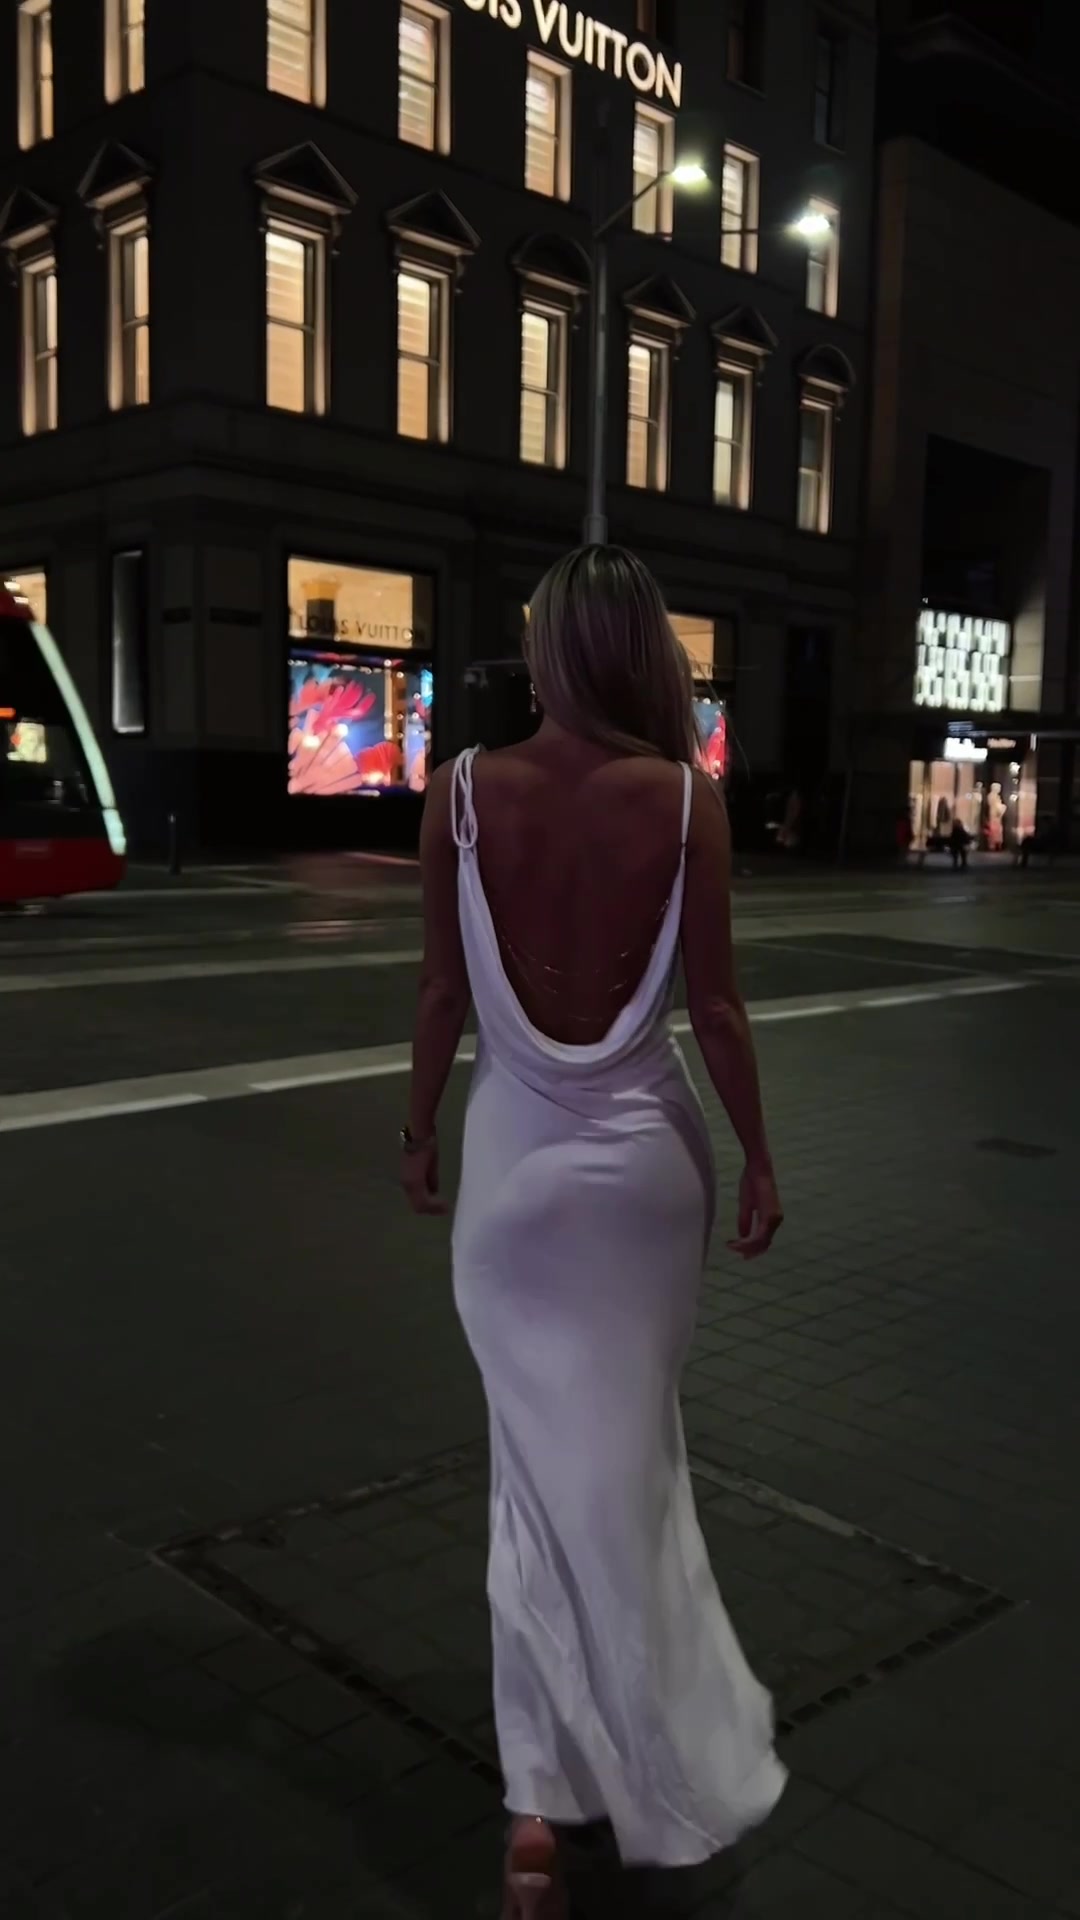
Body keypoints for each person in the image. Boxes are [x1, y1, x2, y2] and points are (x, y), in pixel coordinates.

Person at [401, 545, 786, 1918]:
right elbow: (718, 1012)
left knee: (530, 1482)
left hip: (512, 1179)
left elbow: (441, 996)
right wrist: (758, 1156)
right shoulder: (687, 802)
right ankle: (641, 1754)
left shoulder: (459, 793)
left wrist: (416, 1130)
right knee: (629, 1473)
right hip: (645, 1183)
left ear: (548, 651)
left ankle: (535, 1820)